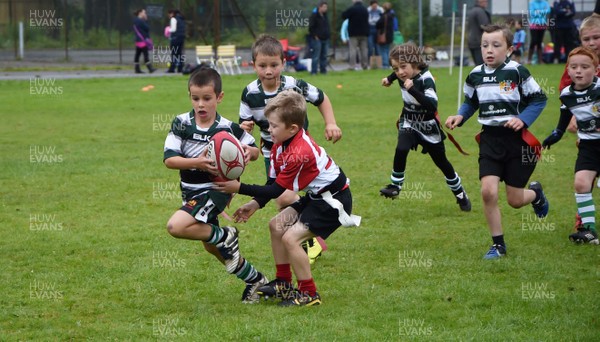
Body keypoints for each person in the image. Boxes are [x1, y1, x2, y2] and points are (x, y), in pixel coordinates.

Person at [214, 90, 359, 307]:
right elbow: (272, 184)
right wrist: (255, 203)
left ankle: (309, 294)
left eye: (273, 126)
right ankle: (283, 283)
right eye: (268, 125)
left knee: (291, 238)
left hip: (333, 201)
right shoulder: (279, 145)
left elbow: (276, 191)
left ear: (292, 128)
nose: (269, 130)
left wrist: (239, 187)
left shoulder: (299, 151)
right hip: (317, 197)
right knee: (276, 225)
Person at [163, 67, 268, 303]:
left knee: (175, 227)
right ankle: (256, 280)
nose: (201, 104)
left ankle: (226, 234)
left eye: (207, 98)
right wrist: (197, 163)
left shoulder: (228, 128)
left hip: (217, 190)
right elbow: (170, 159)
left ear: (219, 98)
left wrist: (247, 153)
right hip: (191, 192)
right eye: (195, 98)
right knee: (213, 247)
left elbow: (254, 150)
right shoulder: (181, 123)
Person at [445, 24, 549, 259]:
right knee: (488, 192)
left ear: (510, 49)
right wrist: (460, 116)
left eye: (496, 45)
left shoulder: (517, 72)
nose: (489, 50)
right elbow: (471, 102)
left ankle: (536, 194)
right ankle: (498, 245)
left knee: (514, 200)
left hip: (517, 141)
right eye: (484, 45)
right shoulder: (475, 75)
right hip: (490, 139)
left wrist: (522, 120)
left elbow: (539, 99)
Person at [238, 34, 342, 264]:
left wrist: (331, 123)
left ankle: (307, 238)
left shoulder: (294, 85)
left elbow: (321, 98)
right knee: (282, 197)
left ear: (283, 63)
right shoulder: (249, 93)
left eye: (274, 65)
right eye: (262, 65)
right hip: (271, 152)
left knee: (284, 194)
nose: (268, 71)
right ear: (253, 65)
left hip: (298, 151)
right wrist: (245, 130)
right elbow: (245, 127)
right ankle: (306, 238)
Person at [379, 43, 471, 212]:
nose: (400, 72)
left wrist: (413, 90)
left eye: (403, 67)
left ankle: (460, 193)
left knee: (442, 163)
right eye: (395, 68)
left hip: (428, 126)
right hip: (409, 121)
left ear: (414, 63)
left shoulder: (426, 79)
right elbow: (396, 73)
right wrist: (389, 79)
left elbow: (431, 105)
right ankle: (395, 186)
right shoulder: (400, 74)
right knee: (401, 148)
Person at [542, 47, 600, 245]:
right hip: (588, 146)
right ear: (567, 70)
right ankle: (589, 230)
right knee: (581, 183)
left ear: (596, 69)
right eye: (574, 67)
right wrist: (555, 135)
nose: (579, 71)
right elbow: (564, 119)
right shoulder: (567, 94)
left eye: (585, 67)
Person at [556, 8, 600, 230]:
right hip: (589, 134)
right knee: (584, 176)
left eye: (596, 37)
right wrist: (574, 114)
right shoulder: (577, 61)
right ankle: (583, 222)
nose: (592, 43)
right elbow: (566, 89)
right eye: (586, 39)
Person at [342, 0, 370, 70]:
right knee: (364, 50)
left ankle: (352, 66)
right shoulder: (365, 9)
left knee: (353, 50)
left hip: (353, 33)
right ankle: (365, 65)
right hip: (364, 33)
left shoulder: (352, 9)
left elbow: (344, 15)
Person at [308, 1, 331, 75]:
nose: (325, 8)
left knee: (324, 56)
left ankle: (323, 71)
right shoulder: (314, 16)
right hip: (317, 39)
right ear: (320, 7)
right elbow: (311, 27)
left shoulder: (325, 16)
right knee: (316, 56)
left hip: (325, 39)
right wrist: (315, 36)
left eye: (326, 7)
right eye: (324, 7)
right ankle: (314, 71)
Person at [467, 0, 491, 66]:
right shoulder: (481, 12)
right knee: (482, 65)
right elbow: (486, 27)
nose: (486, 3)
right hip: (479, 42)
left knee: (477, 65)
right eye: (485, 1)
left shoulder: (472, 11)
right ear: (480, 2)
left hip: (471, 41)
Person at [528, 0, 551, 64]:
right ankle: (529, 59)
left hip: (542, 24)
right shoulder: (532, 3)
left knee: (539, 42)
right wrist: (542, 11)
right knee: (534, 41)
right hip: (534, 24)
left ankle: (540, 60)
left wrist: (538, 12)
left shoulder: (545, 2)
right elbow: (532, 13)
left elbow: (548, 11)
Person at [132, 8, 156, 74]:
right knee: (145, 54)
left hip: (138, 40)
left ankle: (137, 69)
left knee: (137, 54)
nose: (145, 14)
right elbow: (147, 28)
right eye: (144, 13)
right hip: (143, 40)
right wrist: (145, 19)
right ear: (140, 13)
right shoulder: (140, 21)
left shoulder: (135, 20)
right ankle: (150, 68)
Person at [376, 2, 395, 68]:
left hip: (383, 35)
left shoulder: (384, 16)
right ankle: (388, 64)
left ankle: (385, 65)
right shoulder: (392, 16)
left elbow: (378, 24)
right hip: (390, 35)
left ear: (384, 8)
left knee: (383, 50)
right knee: (387, 50)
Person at [167, 9, 186, 73]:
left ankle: (172, 68)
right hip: (181, 38)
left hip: (175, 38)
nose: (169, 16)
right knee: (179, 53)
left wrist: (168, 30)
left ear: (172, 13)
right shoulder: (181, 18)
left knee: (174, 53)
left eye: (169, 14)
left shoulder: (173, 19)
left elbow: (173, 29)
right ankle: (180, 68)